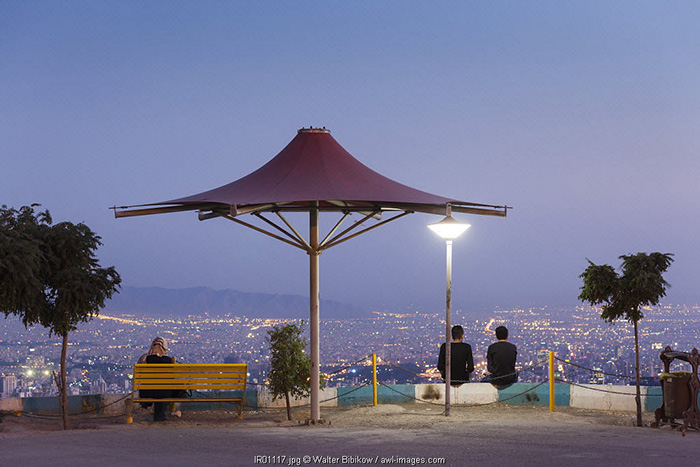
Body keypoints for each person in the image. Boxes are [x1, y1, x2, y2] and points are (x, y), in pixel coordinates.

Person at [138, 337, 176, 422]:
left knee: (156, 389)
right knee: (161, 389)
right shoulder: (168, 361)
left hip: (147, 392)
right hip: (166, 393)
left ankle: (158, 415)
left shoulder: (146, 359)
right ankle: (160, 416)